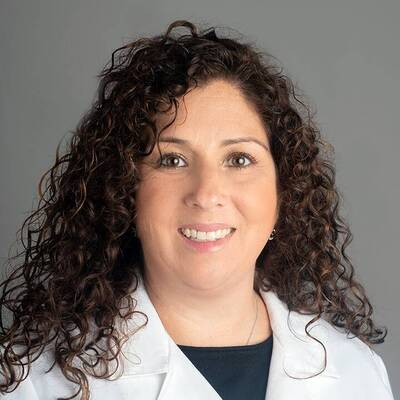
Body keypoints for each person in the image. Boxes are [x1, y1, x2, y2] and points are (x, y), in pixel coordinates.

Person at [0, 19, 395, 400]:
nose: (206, 194)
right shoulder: (33, 382)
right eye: (173, 160)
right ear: (124, 190)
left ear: (284, 191)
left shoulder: (357, 372)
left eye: (239, 159)